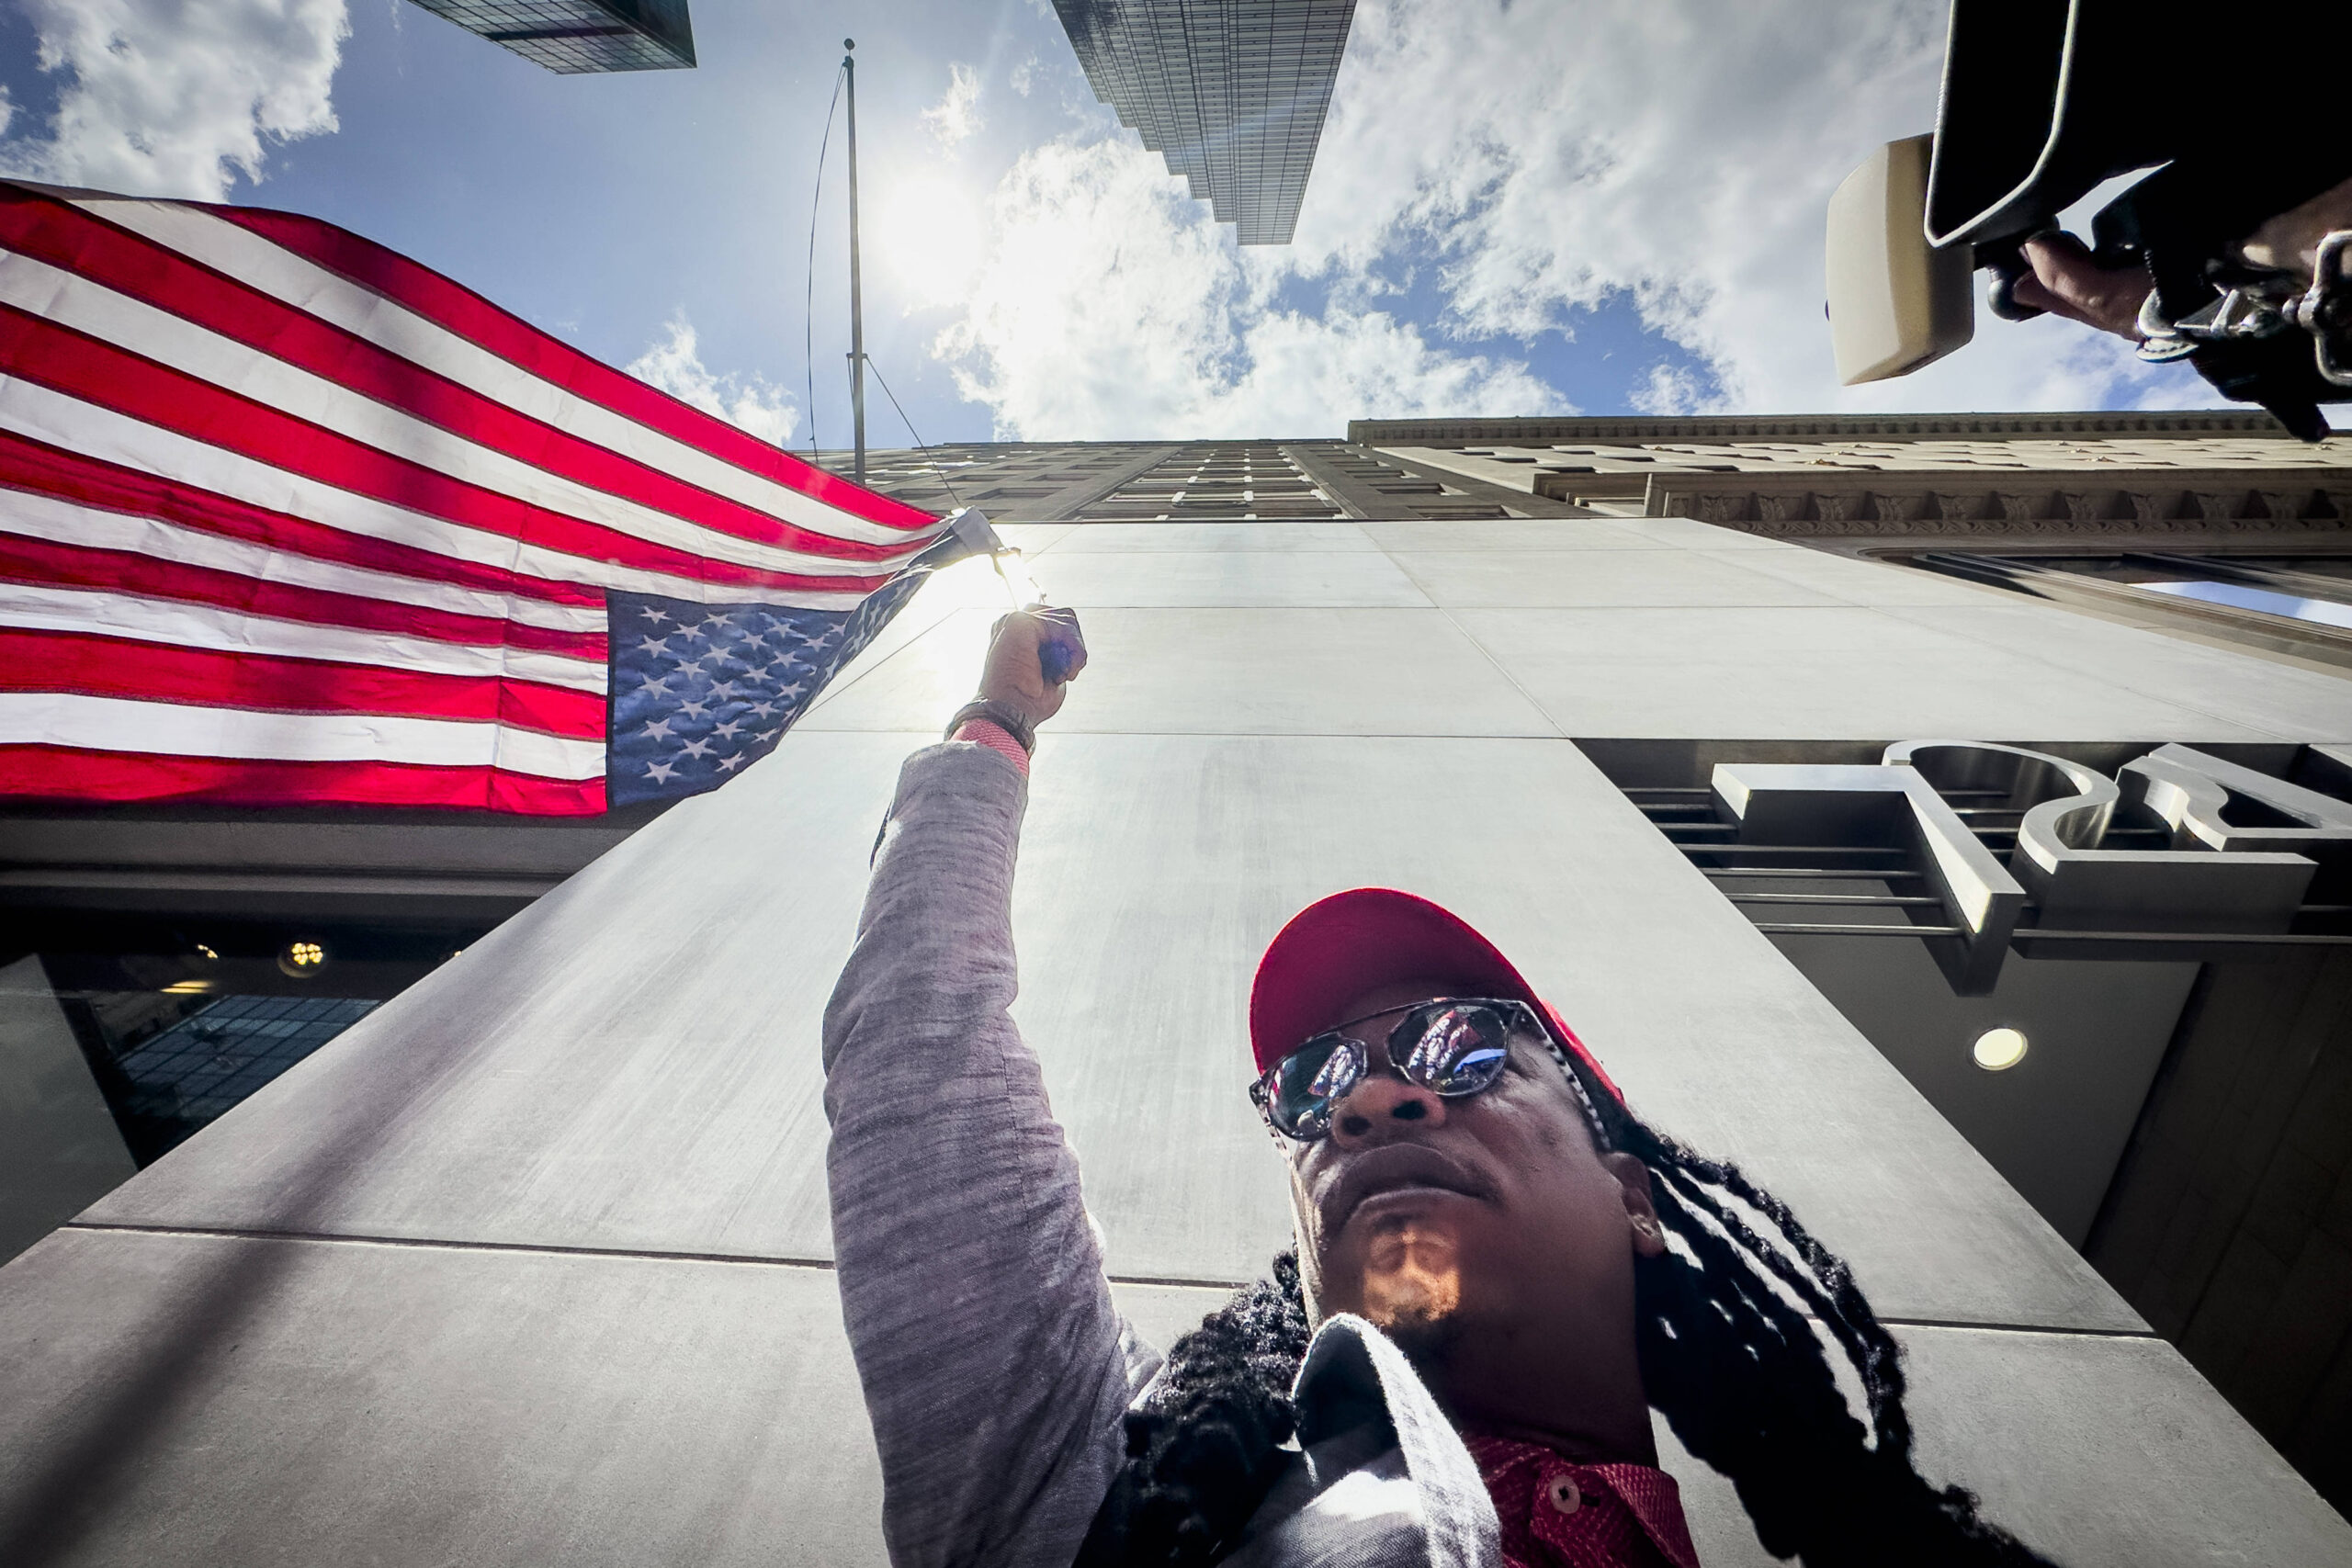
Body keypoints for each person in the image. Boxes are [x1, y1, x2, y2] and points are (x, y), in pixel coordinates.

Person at [823, 610, 2060, 1567]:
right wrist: (997, 719)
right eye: (1313, 1087)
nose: (1368, 1102)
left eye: (1462, 1046)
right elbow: (918, 1047)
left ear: (1634, 1198)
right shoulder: (1102, 1494)